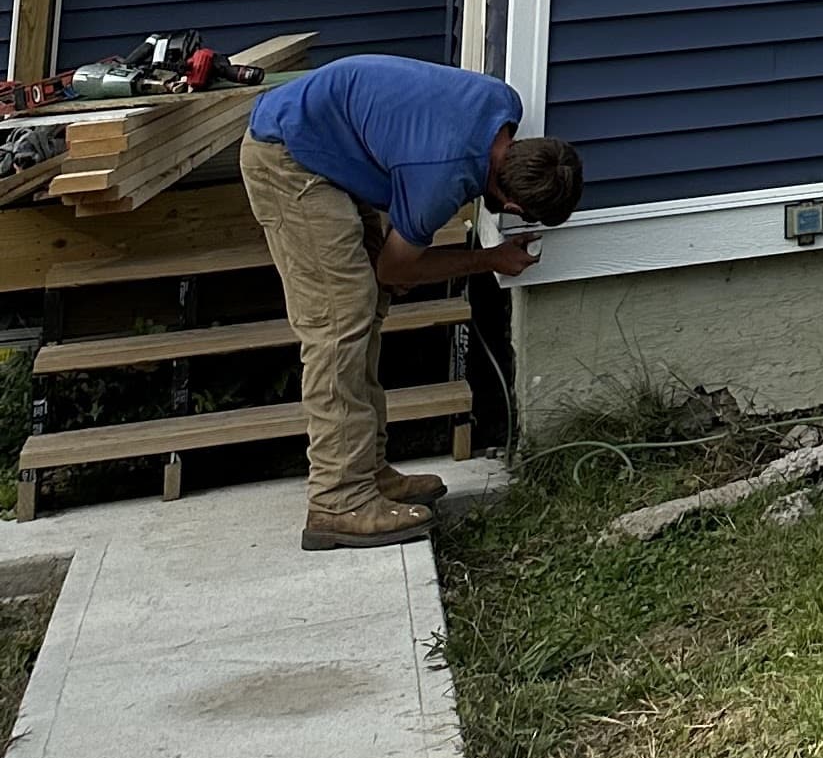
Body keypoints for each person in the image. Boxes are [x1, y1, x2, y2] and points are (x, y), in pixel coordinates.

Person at [240, 53, 586, 551]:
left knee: (363, 313)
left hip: (332, 139)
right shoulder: (440, 177)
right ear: (512, 205)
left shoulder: (501, 104)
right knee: (339, 325)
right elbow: (395, 270)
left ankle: (367, 473)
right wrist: (489, 259)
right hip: (288, 155)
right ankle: (338, 500)